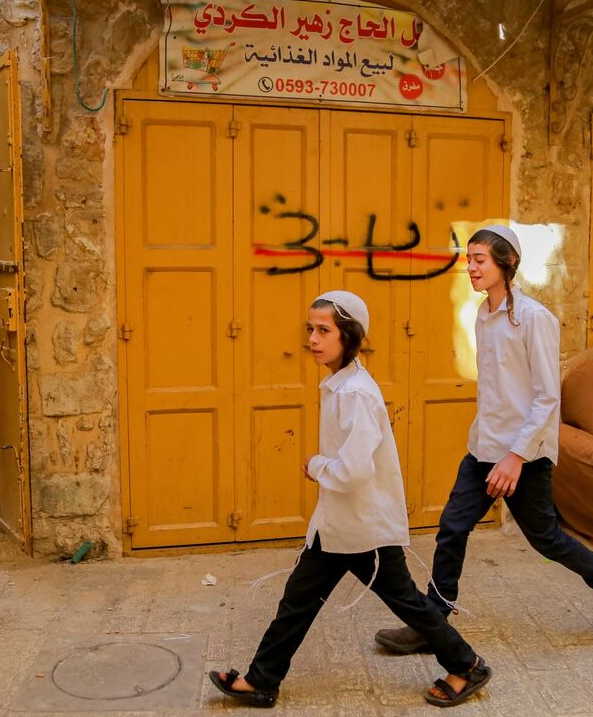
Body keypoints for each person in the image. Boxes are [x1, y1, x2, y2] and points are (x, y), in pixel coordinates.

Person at [374, 225, 593, 655]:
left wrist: (516, 458)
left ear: (509, 264)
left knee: (545, 539)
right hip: (485, 446)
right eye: (469, 259)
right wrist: (490, 447)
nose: (471, 267)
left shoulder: (535, 319)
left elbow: (546, 397)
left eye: (480, 259)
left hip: (525, 453)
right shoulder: (484, 315)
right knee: (452, 528)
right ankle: (434, 624)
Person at [210, 291, 492, 709]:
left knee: (408, 603)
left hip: (364, 526)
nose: (313, 339)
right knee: (299, 601)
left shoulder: (355, 393)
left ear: (349, 335)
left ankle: (467, 666)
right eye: (311, 329)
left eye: (325, 330)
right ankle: (262, 680)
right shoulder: (340, 384)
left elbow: (354, 469)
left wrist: (318, 465)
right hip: (341, 524)